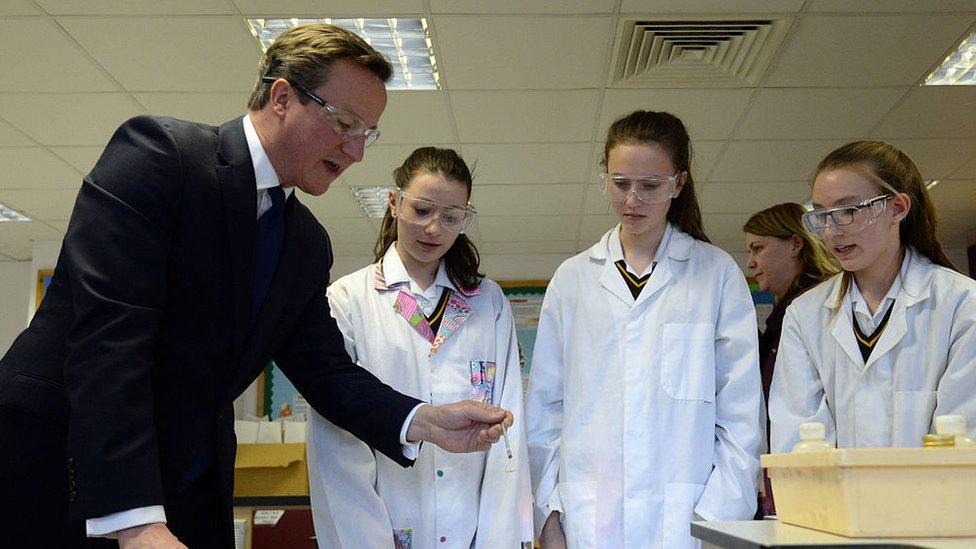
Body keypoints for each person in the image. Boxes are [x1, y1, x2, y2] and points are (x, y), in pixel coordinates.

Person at [0, 24, 511, 549]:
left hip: (187, 479)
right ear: (283, 97)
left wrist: (424, 421)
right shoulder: (160, 159)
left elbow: (327, 373)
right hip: (62, 465)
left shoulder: (304, 243)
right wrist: (135, 520)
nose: (357, 150)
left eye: (367, 133)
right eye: (345, 123)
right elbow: (108, 341)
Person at [525, 110, 764, 549]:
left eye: (650, 185)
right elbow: (545, 410)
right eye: (620, 183)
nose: (632, 199)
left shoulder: (716, 274)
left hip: (688, 520)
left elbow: (741, 415)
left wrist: (718, 518)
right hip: (587, 516)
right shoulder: (574, 278)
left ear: (678, 183)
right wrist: (548, 513)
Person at [306, 146, 533, 548]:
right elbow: (338, 444)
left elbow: (507, 432)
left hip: (474, 531)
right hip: (384, 526)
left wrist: (499, 538)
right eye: (423, 210)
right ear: (394, 203)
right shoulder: (348, 300)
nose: (434, 229)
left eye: (451, 217)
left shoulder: (487, 303)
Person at [769, 140, 976, 453]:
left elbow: (961, 440)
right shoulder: (805, 315)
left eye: (848, 210)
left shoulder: (961, 305)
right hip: (832, 503)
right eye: (822, 215)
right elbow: (798, 442)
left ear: (897, 208)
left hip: (935, 499)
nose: (831, 231)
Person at [742, 203, 837, 516]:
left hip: (818, 470)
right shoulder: (779, 317)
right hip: (790, 468)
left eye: (759, 248)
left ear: (796, 244)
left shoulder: (819, 308)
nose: (751, 263)